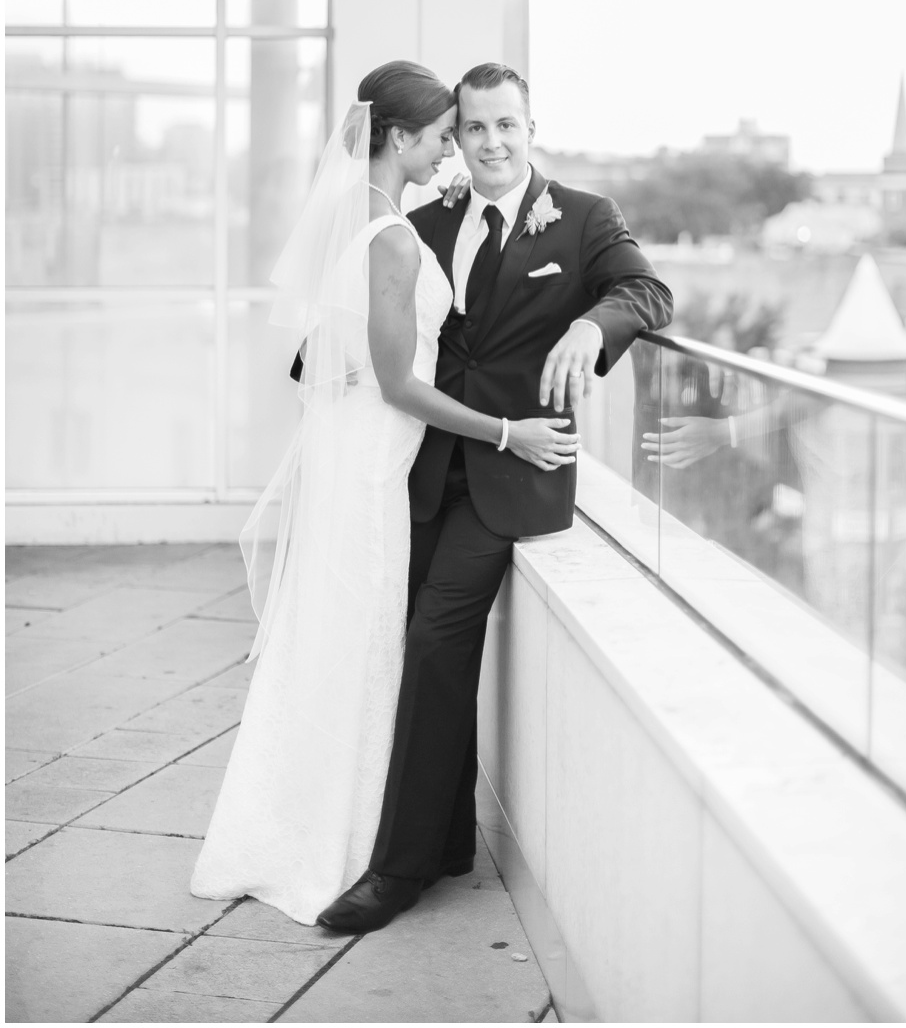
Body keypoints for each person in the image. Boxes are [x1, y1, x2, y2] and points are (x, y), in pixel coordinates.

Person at [192, 63, 580, 925]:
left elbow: (322, 355)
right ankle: (334, 843)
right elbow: (401, 384)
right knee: (362, 645)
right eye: (447, 134)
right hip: (374, 465)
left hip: (356, 453)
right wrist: (510, 432)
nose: (456, 151)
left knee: (332, 640)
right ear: (399, 138)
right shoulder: (398, 238)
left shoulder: (354, 225)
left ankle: (318, 828)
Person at [315, 63, 674, 934]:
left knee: (439, 635)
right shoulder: (423, 219)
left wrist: (594, 325)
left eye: (506, 125)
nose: (491, 143)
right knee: (409, 639)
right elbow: (386, 324)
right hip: (427, 466)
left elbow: (648, 291)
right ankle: (445, 842)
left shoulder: (585, 216)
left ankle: (395, 872)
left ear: (531, 126)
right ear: (457, 137)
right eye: (473, 129)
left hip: (520, 472)